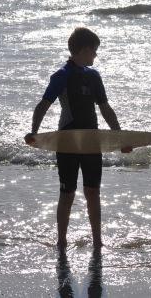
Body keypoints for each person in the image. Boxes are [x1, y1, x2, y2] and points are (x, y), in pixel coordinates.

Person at [24, 27, 131, 252]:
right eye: (94, 52)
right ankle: (61, 240)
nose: (95, 56)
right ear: (84, 50)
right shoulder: (61, 76)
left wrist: (120, 137)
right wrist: (34, 132)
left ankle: (98, 240)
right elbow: (43, 106)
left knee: (93, 191)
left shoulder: (94, 76)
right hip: (68, 142)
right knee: (67, 192)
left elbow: (105, 109)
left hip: (91, 141)